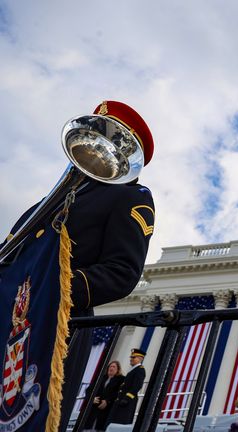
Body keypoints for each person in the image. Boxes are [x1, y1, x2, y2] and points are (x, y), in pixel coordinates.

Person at [0, 100, 155, 430]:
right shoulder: (41, 205)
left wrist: (49, 289)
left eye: (107, 143)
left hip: (58, 327)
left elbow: (122, 272)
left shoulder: (131, 196)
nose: (96, 150)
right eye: (92, 137)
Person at [106, 348, 146, 426]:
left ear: (140, 359)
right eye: (131, 357)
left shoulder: (140, 370)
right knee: (113, 423)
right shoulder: (133, 370)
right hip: (121, 400)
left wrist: (127, 398)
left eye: (133, 357)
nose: (131, 359)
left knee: (120, 424)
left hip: (127, 402)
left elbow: (137, 386)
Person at [82, 360, 125, 431]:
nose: (111, 368)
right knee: (87, 427)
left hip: (107, 409)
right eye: (110, 366)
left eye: (114, 367)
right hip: (94, 407)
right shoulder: (101, 377)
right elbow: (89, 389)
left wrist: (107, 401)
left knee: (100, 428)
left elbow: (119, 393)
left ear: (118, 369)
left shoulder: (121, 379)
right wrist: (91, 398)